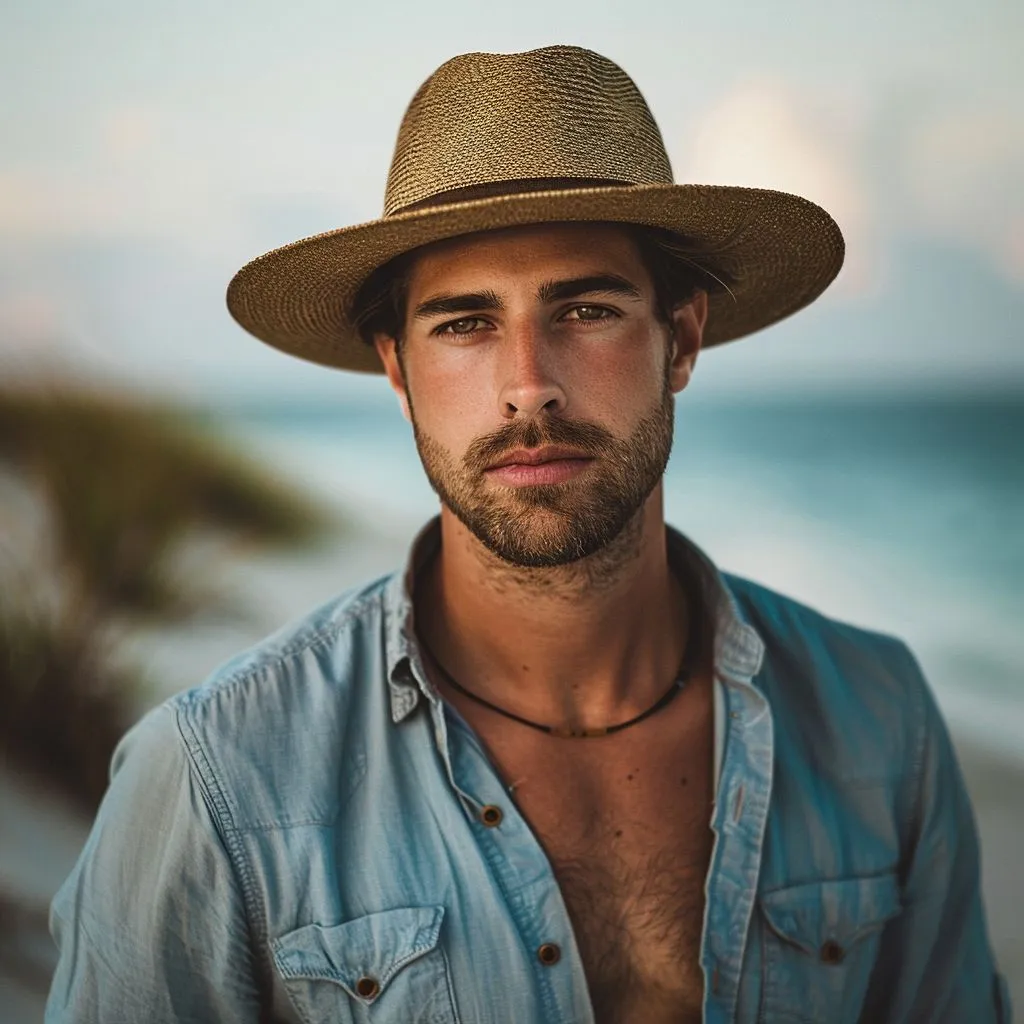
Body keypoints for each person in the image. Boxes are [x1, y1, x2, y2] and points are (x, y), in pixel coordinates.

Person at [46, 45, 1011, 1024]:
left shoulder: (877, 723)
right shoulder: (221, 776)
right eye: (464, 324)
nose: (528, 382)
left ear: (678, 340)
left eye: (585, 309)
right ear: (395, 367)